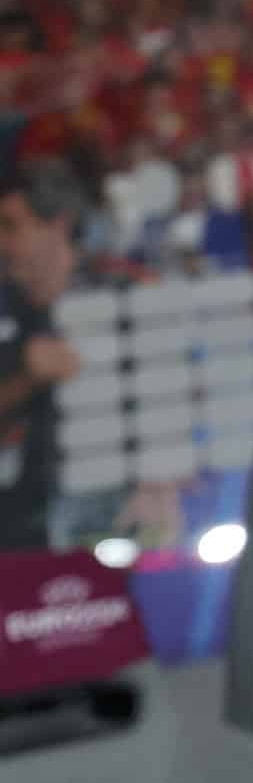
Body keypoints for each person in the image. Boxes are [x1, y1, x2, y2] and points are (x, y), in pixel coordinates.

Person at [0, 161, 85, 551]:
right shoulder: (7, 306)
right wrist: (28, 379)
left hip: (107, 516)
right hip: (15, 533)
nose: (2, 244)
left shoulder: (120, 295)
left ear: (59, 226)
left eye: (11, 227)